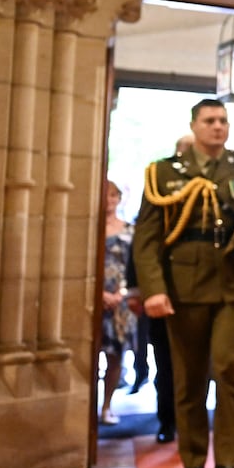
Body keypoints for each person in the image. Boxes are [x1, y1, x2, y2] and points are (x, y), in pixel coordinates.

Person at [132, 99, 234, 468]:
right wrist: (154, 289)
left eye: (223, 120)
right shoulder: (163, 173)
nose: (218, 127)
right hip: (184, 287)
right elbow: (146, 239)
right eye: (210, 120)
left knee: (229, 367)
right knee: (189, 375)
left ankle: (229, 463)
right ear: (193, 126)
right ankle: (193, 460)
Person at [98, 179, 135, 427]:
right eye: (105, 195)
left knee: (116, 356)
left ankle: (107, 405)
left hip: (121, 300)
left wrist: (123, 293)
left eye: (113, 195)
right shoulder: (91, 228)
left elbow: (133, 267)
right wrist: (98, 293)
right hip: (96, 296)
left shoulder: (129, 229)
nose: (109, 200)